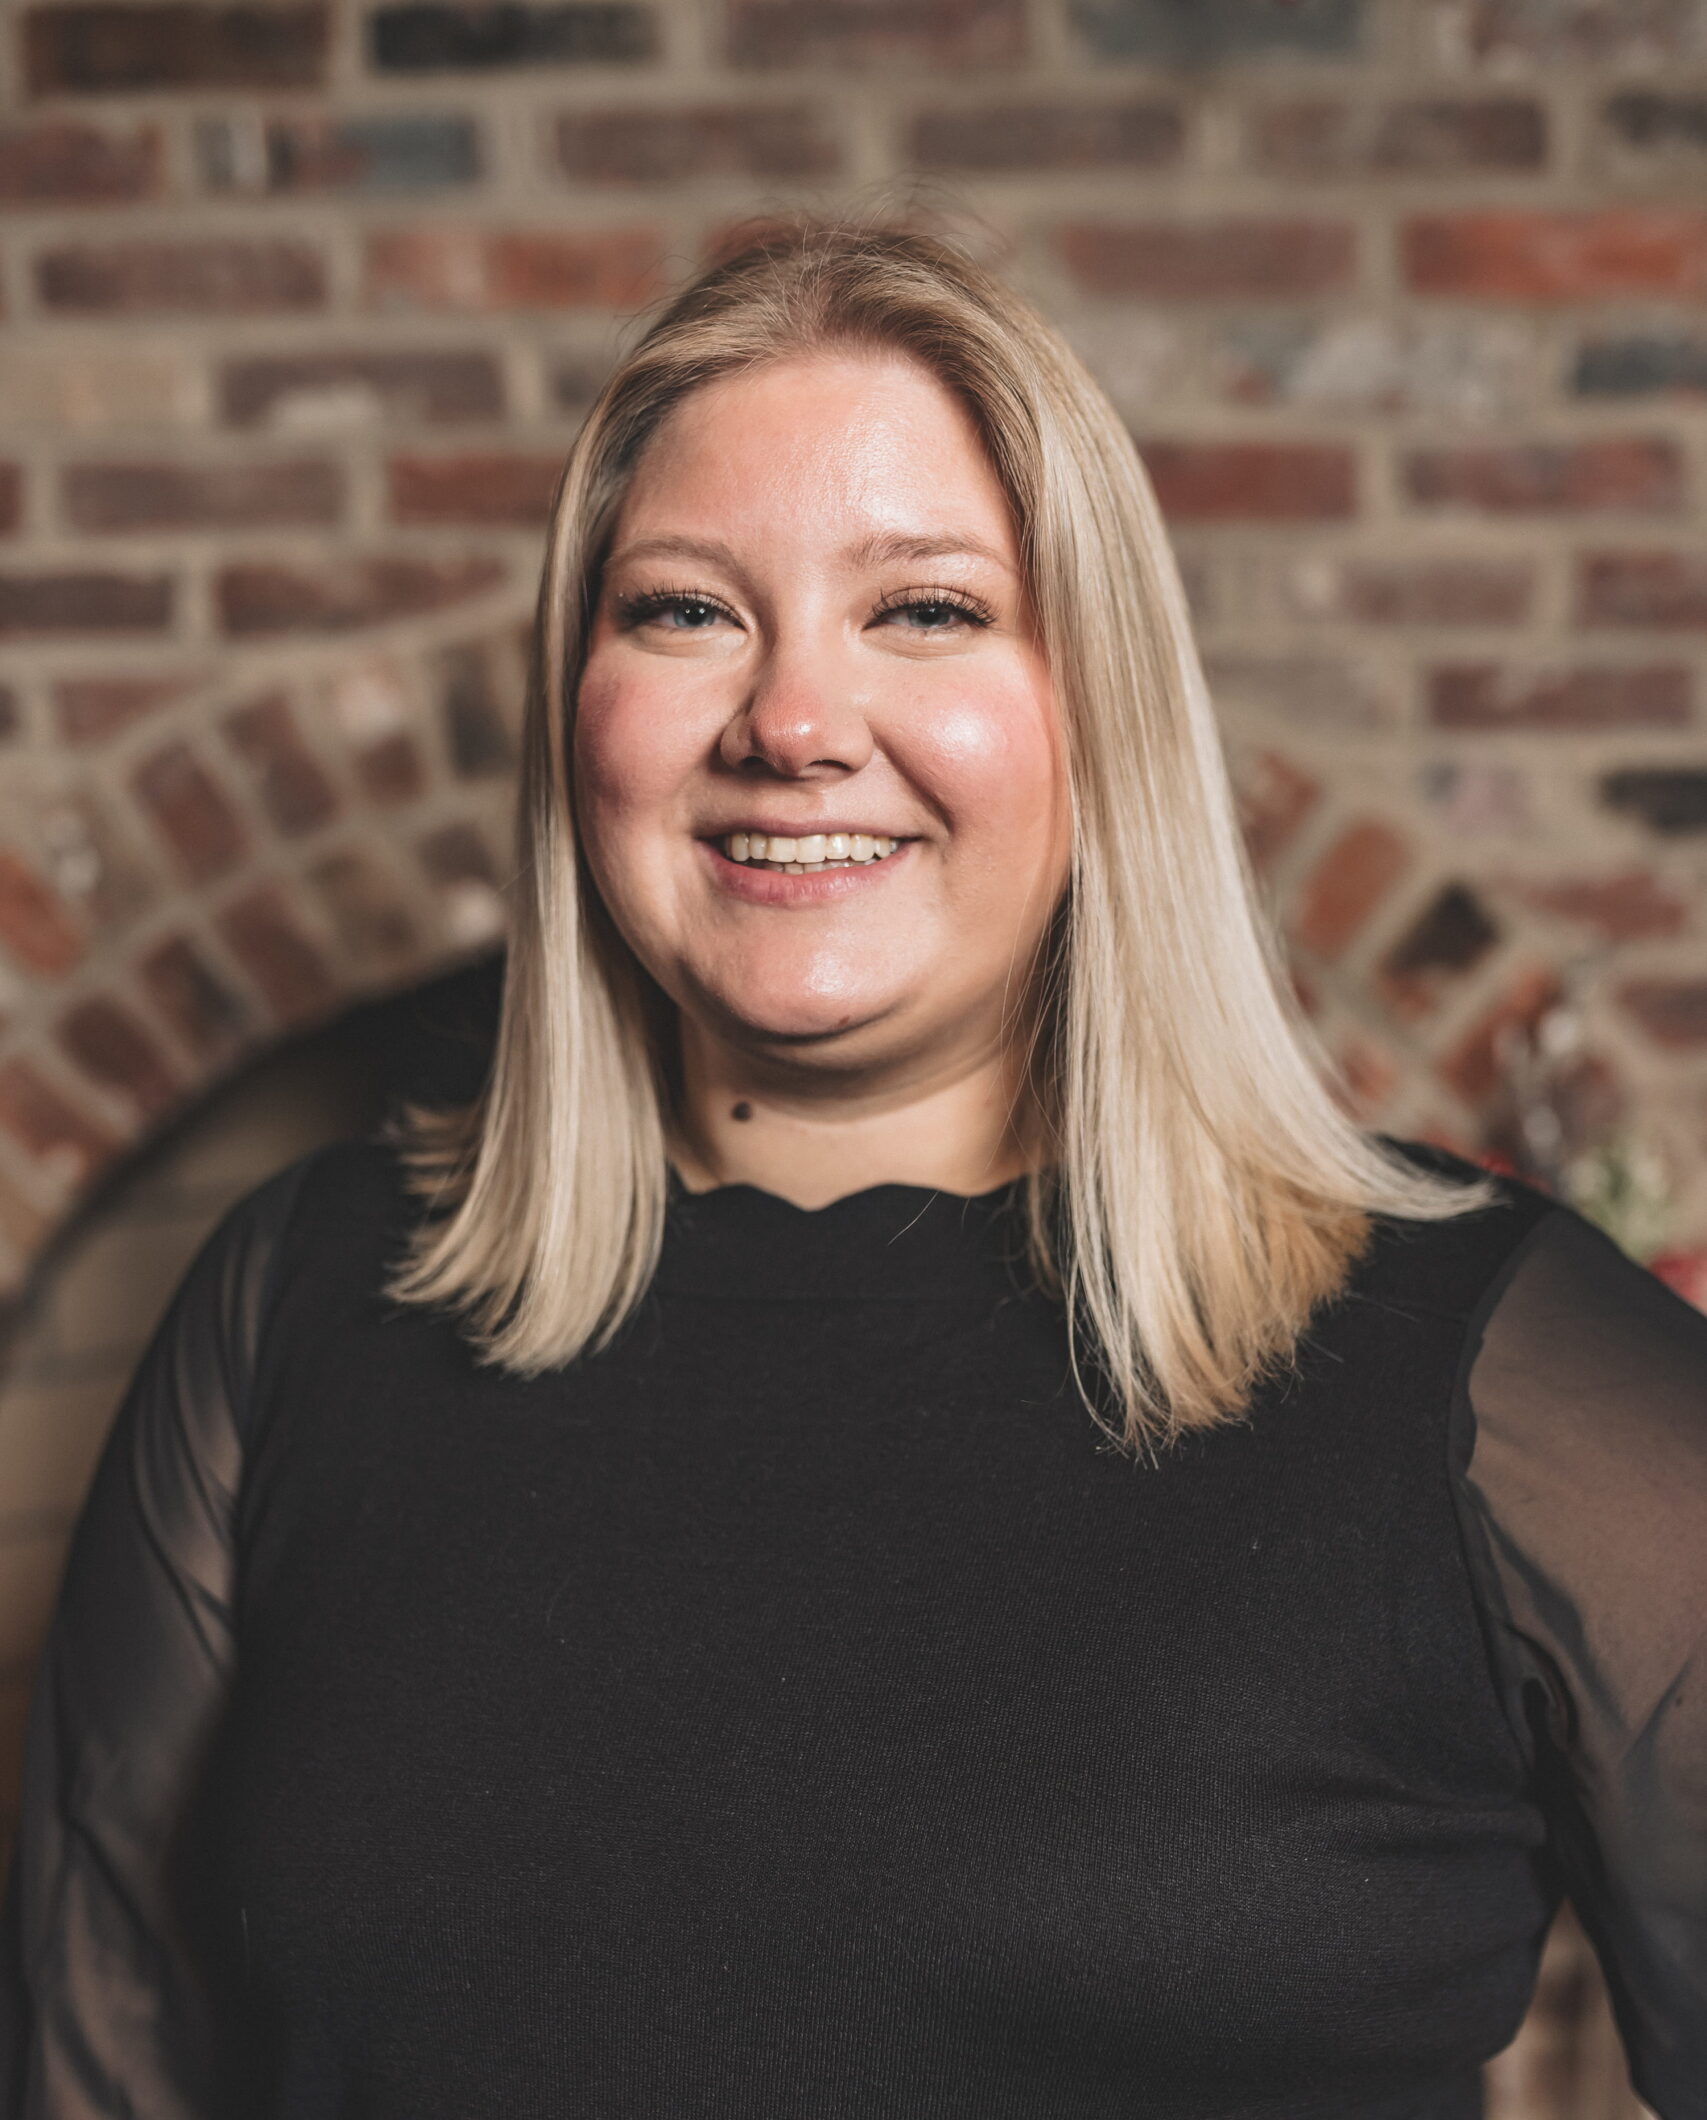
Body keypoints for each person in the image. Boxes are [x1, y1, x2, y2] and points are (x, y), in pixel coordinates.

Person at [2, 219, 1703, 2120]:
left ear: (1102, 711)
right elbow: (97, 2064)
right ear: (580, 713)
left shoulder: (1484, 1362)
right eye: (684, 611)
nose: (793, 725)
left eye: (927, 609)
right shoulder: (293, 1310)